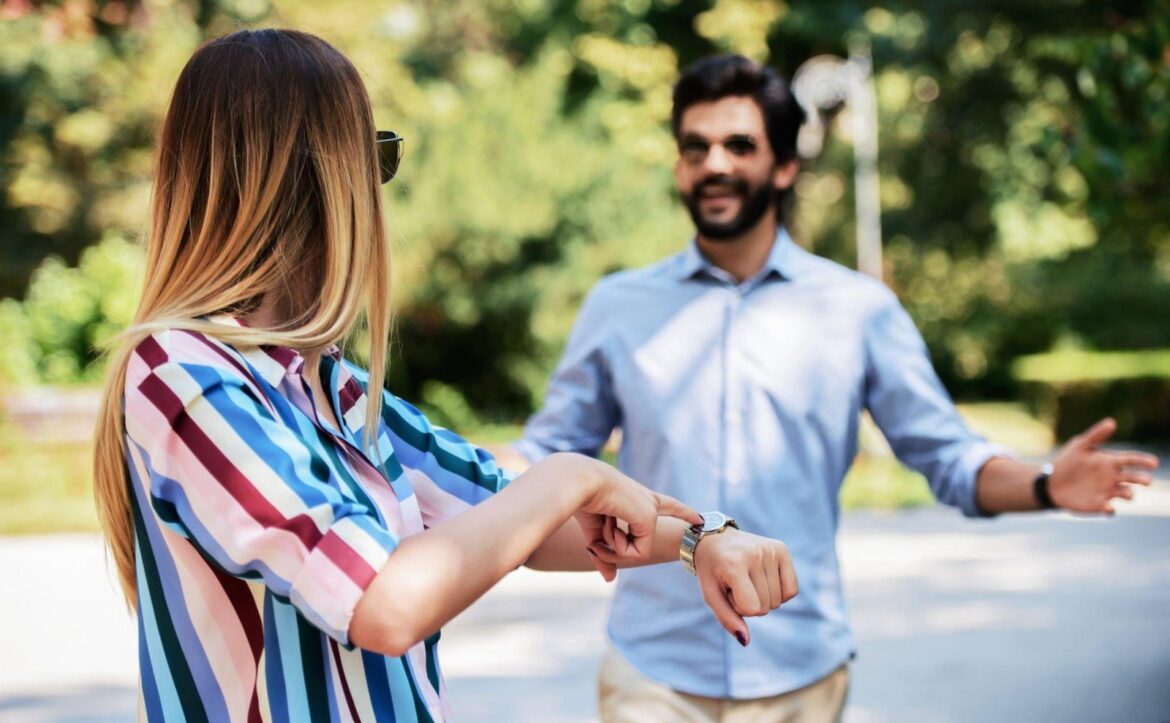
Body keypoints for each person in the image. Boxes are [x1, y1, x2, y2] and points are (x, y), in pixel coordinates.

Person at [91, 32, 801, 723]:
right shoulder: (185, 377)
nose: (377, 190)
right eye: (372, 156)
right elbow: (382, 604)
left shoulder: (330, 386)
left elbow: (518, 517)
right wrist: (572, 476)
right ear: (307, 180)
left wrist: (701, 539)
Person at [490, 54, 1161, 722]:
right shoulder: (617, 306)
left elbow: (949, 457)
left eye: (739, 145)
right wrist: (447, 468)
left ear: (785, 166)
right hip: (652, 672)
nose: (714, 163)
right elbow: (550, 457)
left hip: (800, 672)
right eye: (695, 147)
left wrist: (1045, 483)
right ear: (678, 166)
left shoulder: (857, 309)